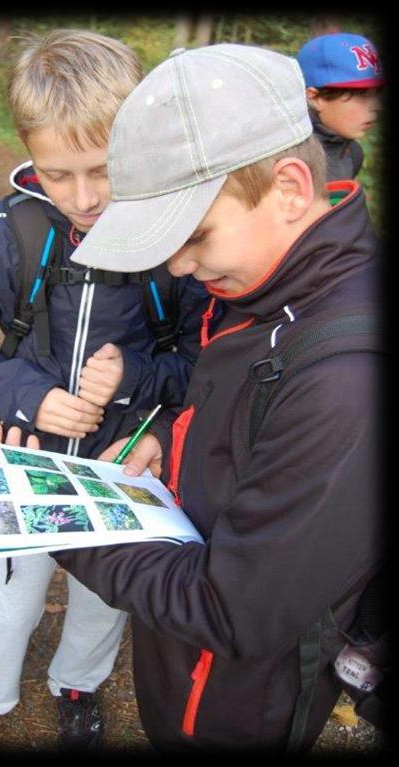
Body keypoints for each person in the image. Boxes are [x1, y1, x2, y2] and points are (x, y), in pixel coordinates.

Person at [36, 43, 381, 753]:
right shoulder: (265, 278)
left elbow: (235, 612)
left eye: (192, 235)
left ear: (289, 187)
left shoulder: (345, 380)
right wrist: (175, 426)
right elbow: (230, 391)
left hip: (236, 699)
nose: (178, 265)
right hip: (183, 651)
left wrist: (64, 525)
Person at [0, 30, 212, 751]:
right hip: (29, 457)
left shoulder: (176, 241)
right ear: (27, 153)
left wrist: (139, 386)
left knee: (105, 596)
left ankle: (78, 685)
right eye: (58, 174)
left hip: (124, 462)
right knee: (9, 597)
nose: (84, 197)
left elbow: (203, 358)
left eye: (103, 170)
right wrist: (24, 395)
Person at [297, 32, 383, 181]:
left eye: (377, 93)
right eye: (361, 94)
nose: (377, 106)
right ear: (315, 97)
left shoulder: (352, 153)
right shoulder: (285, 161)